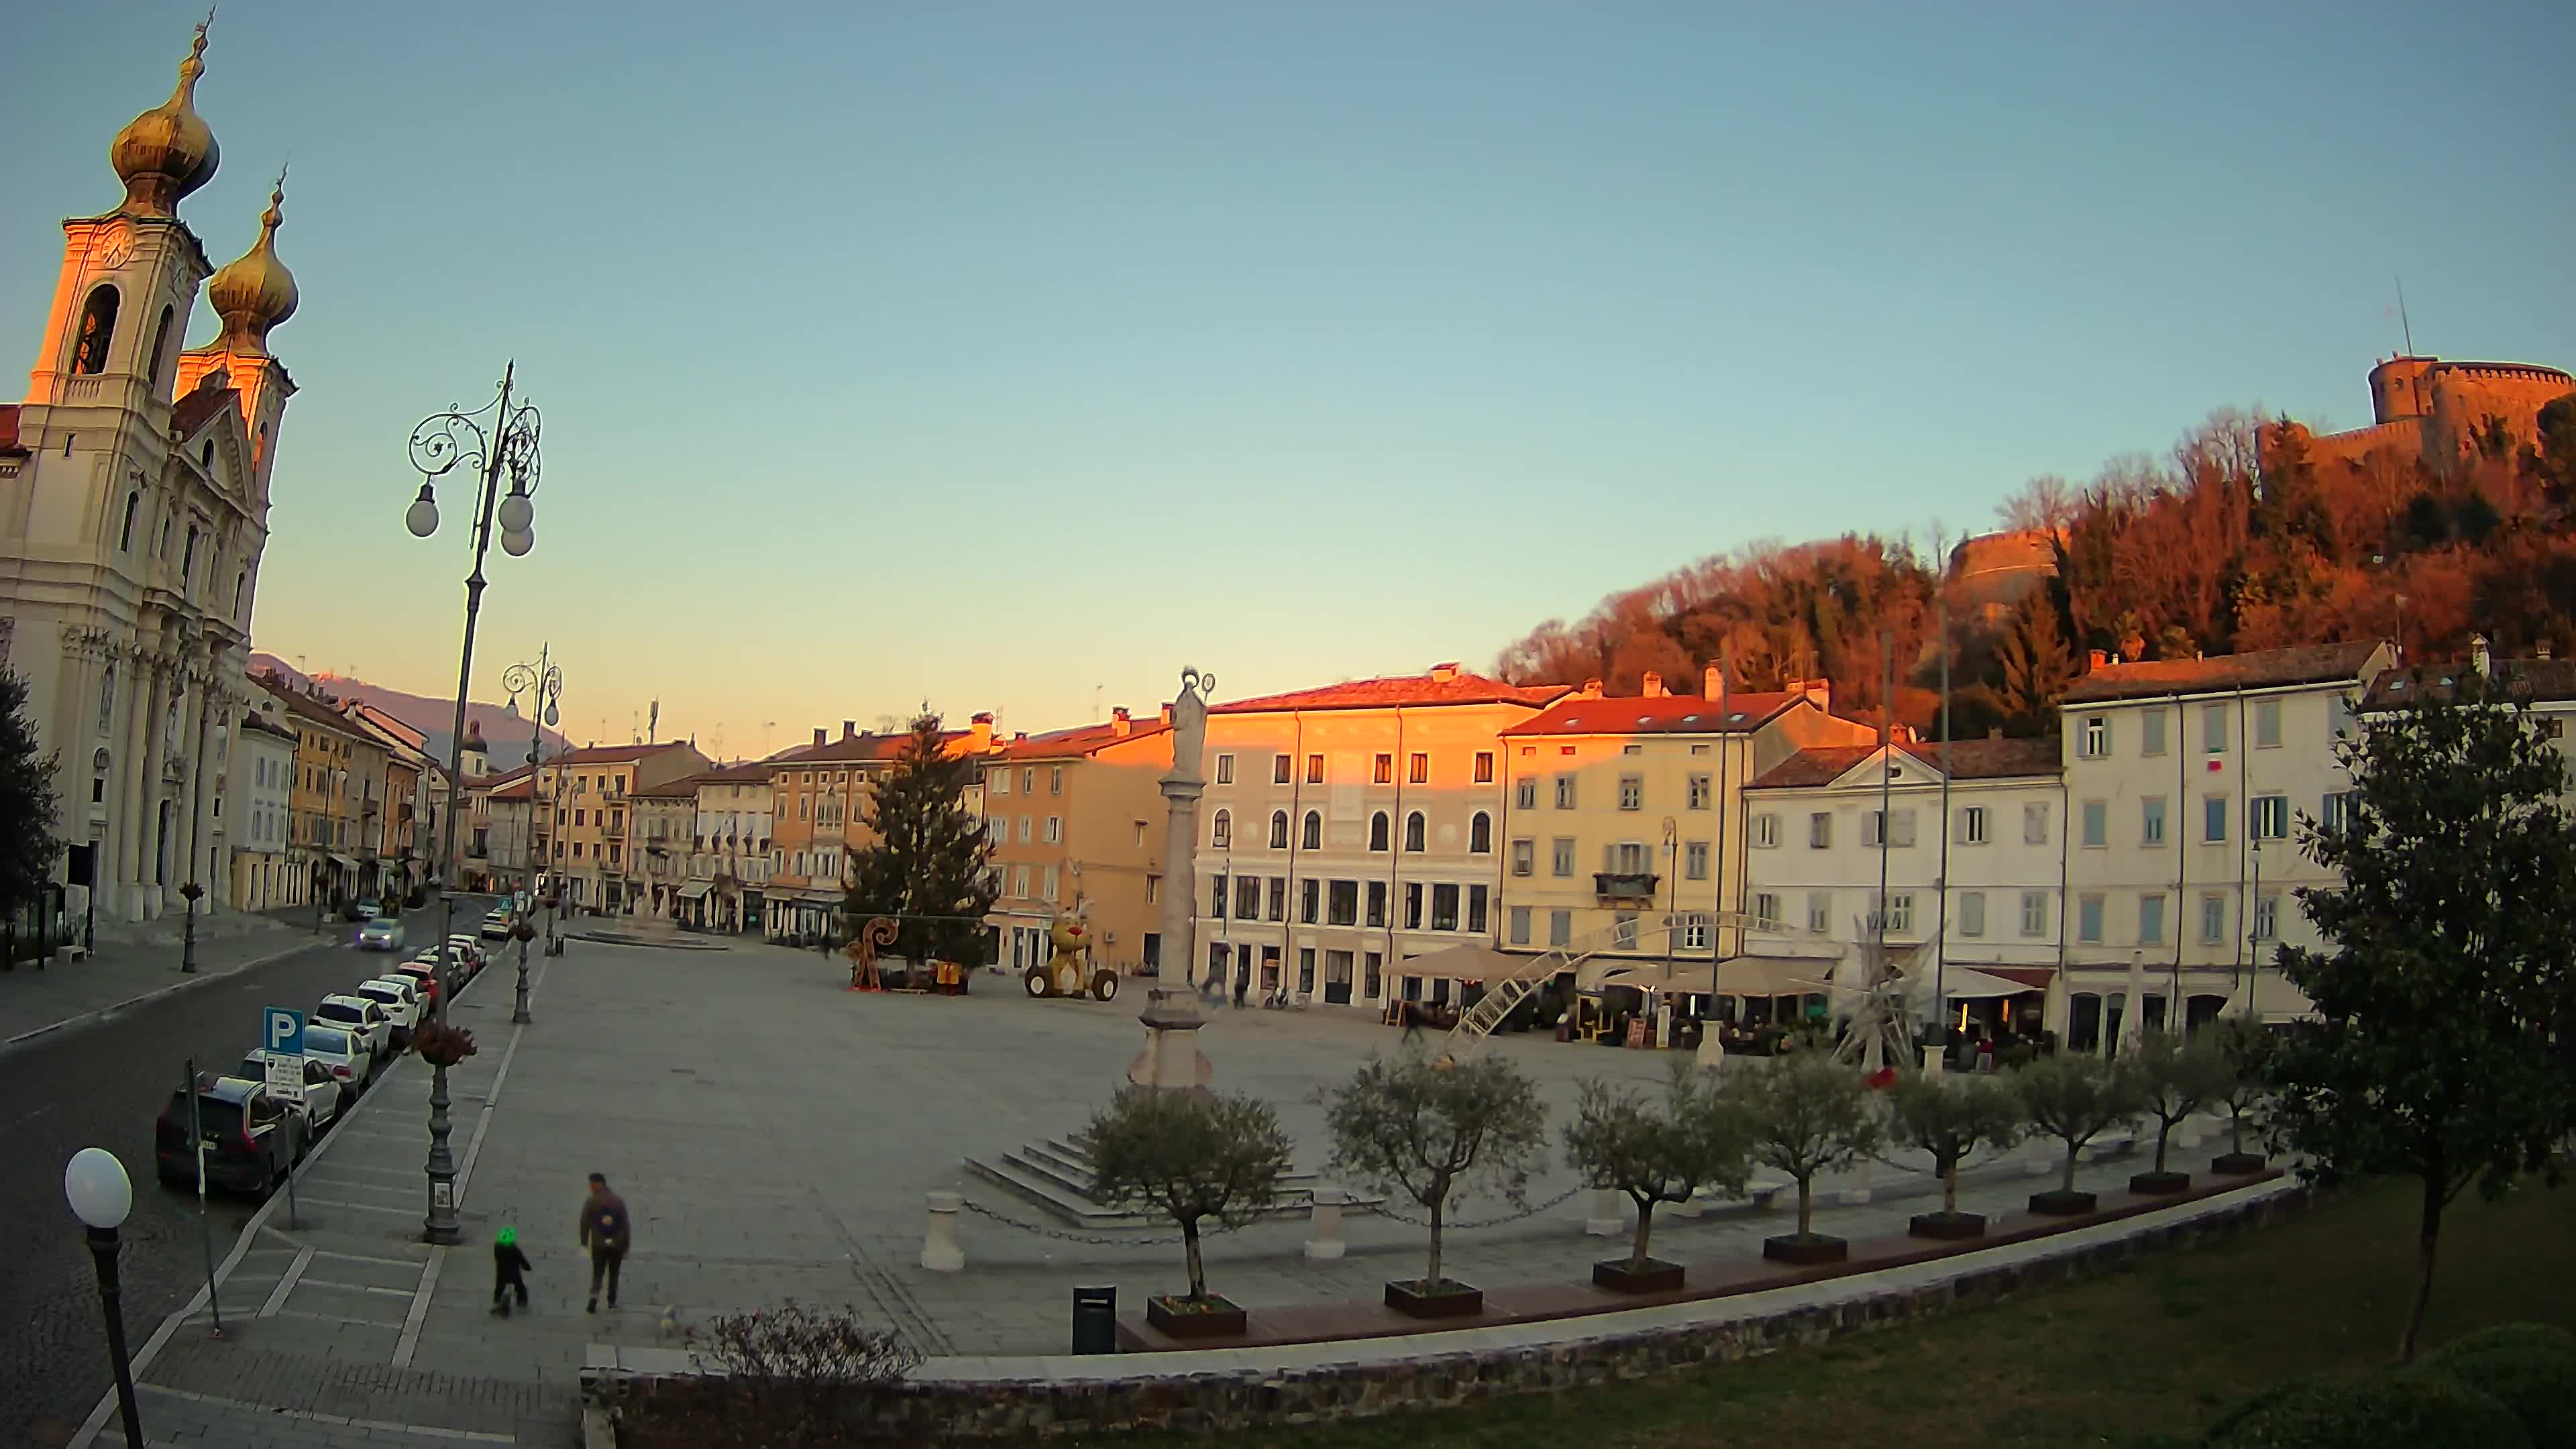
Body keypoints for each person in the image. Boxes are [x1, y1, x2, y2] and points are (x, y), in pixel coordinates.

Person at [578, 1172, 631, 1313]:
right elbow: (625, 1225)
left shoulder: (591, 1201)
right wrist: (626, 1247)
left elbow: (584, 1223)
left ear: (599, 1184)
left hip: (599, 1244)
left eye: (592, 1184)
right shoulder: (618, 1201)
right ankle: (611, 1302)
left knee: (598, 1273)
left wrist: (583, 1243)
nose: (591, 1187)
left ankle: (594, 1298)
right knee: (614, 1274)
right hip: (617, 1245)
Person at [490, 1225, 531, 1317]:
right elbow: (522, 1260)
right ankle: (522, 1303)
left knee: (499, 1288)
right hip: (514, 1274)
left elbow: (496, 1258)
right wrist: (527, 1267)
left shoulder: (497, 1248)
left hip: (501, 1273)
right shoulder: (515, 1250)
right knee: (520, 1288)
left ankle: (496, 1301)